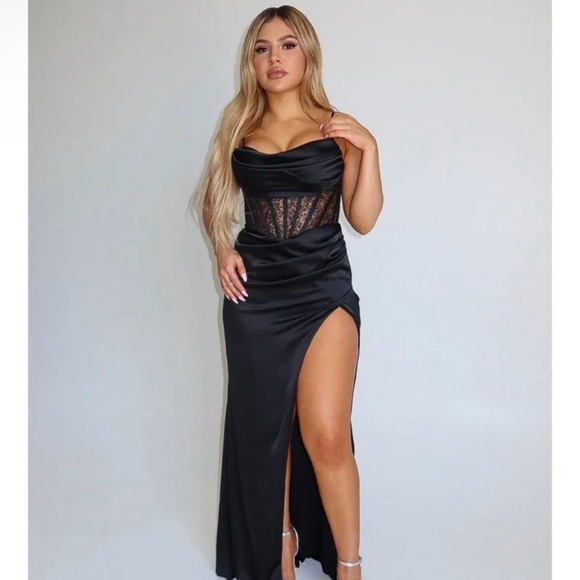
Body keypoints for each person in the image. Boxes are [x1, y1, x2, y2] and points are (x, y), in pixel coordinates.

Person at [190, 5, 383, 579]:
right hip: (256, 299)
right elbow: (212, 201)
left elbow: (363, 219)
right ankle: (280, 548)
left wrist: (370, 147)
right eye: (262, 48)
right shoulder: (237, 128)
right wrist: (222, 249)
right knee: (265, 433)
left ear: (308, 55)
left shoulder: (336, 129)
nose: (275, 57)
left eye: (288, 45)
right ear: (251, 62)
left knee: (326, 436)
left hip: (324, 289)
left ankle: (349, 565)